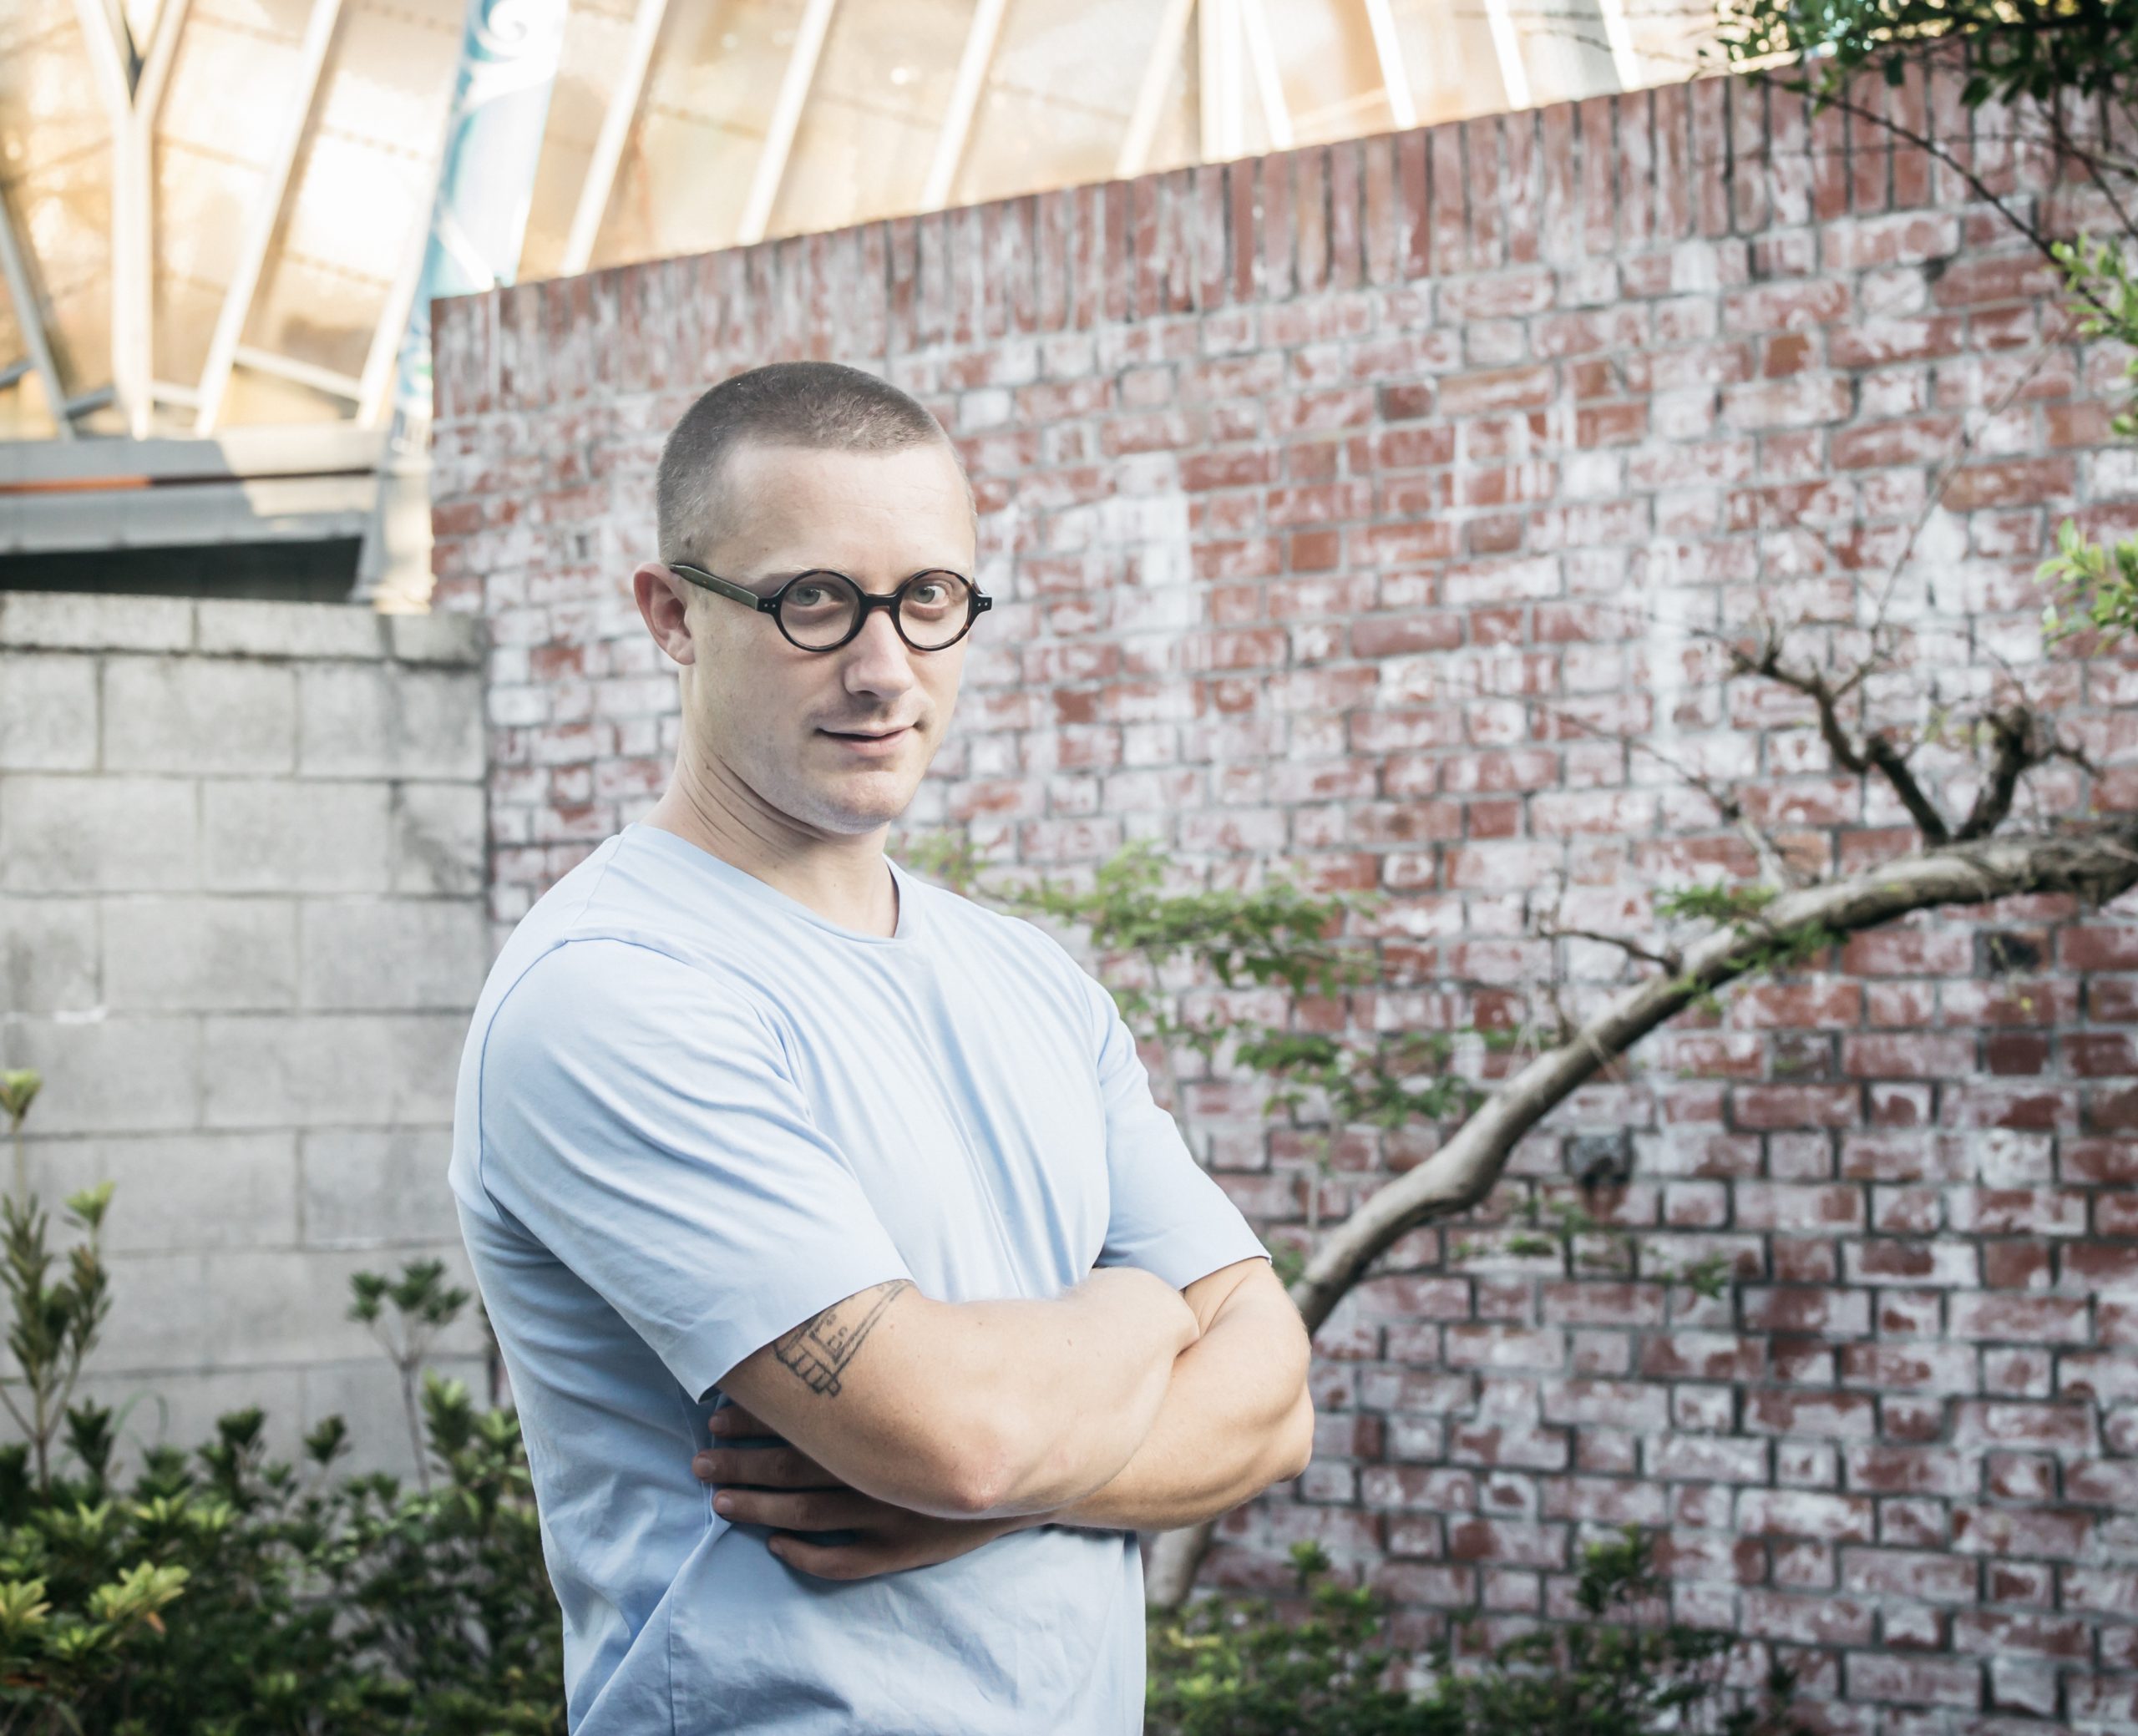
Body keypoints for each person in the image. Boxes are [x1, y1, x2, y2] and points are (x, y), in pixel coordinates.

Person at [448, 360, 1314, 1734]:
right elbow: (950, 1438)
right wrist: (1146, 1313)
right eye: (811, 602)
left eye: (926, 599)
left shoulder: (1029, 977)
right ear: (673, 615)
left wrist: (987, 1492)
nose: (881, 669)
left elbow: (1271, 1406)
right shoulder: (613, 996)